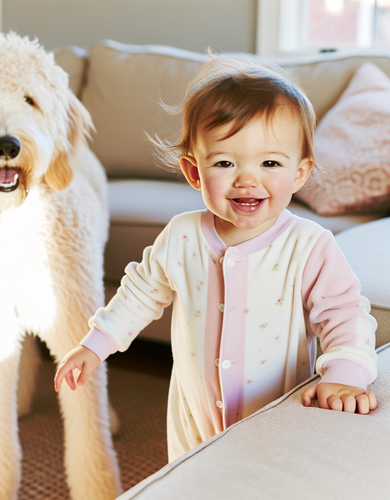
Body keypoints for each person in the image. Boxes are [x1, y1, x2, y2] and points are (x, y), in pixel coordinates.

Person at [54, 55, 378, 462]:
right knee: (195, 484)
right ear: (194, 173)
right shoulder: (182, 236)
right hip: (195, 416)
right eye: (225, 163)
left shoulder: (309, 244)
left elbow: (344, 315)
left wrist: (345, 375)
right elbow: (140, 292)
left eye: (270, 163)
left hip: (279, 415)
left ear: (299, 172)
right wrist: (95, 344)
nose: (247, 178)